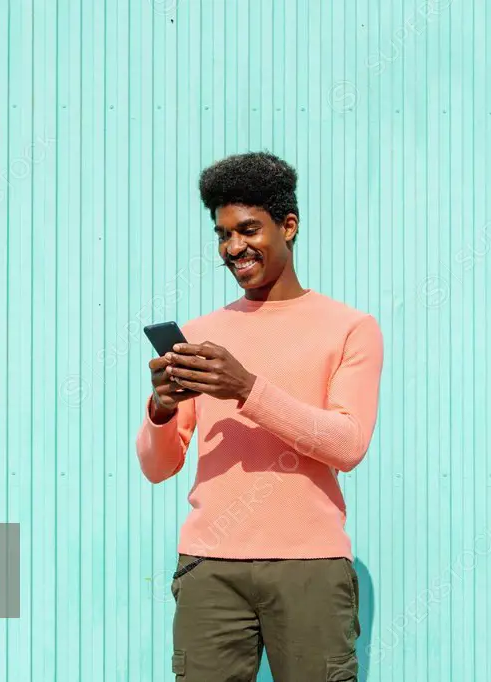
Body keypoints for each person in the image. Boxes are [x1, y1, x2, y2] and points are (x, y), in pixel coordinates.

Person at [134, 151, 384, 681]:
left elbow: (348, 443)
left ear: (288, 226)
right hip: (210, 570)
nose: (233, 247)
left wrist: (247, 388)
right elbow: (158, 468)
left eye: (249, 229)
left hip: (311, 567)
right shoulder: (203, 334)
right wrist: (160, 409)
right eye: (223, 234)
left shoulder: (350, 328)